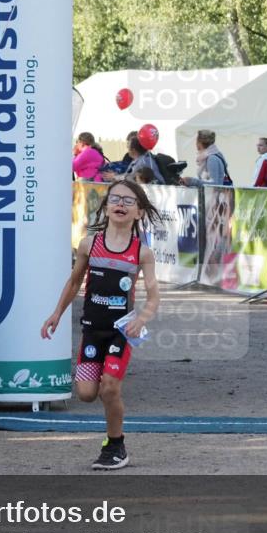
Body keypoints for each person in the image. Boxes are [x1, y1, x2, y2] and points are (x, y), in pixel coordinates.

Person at [41, 180, 161, 471]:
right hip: (92, 331)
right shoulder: (88, 244)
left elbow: (154, 296)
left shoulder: (141, 253)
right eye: (115, 199)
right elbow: (73, 282)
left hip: (121, 332)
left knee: (109, 389)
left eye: (128, 201)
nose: (120, 204)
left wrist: (141, 319)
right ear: (106, 207)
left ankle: (115, 445)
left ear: (140, 212)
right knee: (85, 393)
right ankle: (113, 438)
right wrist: (56, 313)